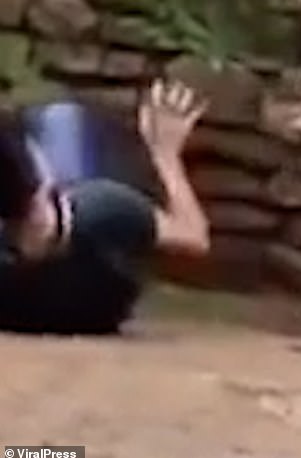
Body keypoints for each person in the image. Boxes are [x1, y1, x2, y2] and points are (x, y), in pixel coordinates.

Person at [0, 78, 211, 334]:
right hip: (90, 286)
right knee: (62, 117)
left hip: (25, 290)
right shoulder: (105, 207)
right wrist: (165, 154)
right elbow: (194, 237)